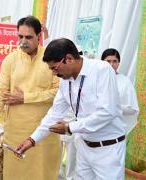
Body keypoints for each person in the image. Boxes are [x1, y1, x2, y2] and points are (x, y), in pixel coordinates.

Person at [17, 38, 127, 180]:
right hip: (84, 146)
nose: (54, 74)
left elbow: (107, 112)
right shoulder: (66, 81)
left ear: (68, 59)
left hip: (108, 150)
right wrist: (32, 140)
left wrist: (70, 127)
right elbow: (55, 113)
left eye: (55, 68)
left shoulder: (102, 70)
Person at [0, 16, 61, 180]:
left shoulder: (51, 58)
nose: (23, 41)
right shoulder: (10, 60)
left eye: (29, 37)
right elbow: (0, 91)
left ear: (39, 36)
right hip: (16, 133)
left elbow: (59, 92)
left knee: (43, 175)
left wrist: (26, 97)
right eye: (20, 36)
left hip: (44, 133)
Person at [101, 48, 139, 134]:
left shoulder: (125, 81)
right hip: (95, 130)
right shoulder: (95, 80)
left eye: (115, 61)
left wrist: (114, 107)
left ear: (119, 63)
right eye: (108, 61)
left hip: (116, 131)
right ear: (102, 61)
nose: (111, 64)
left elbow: (132, 109)